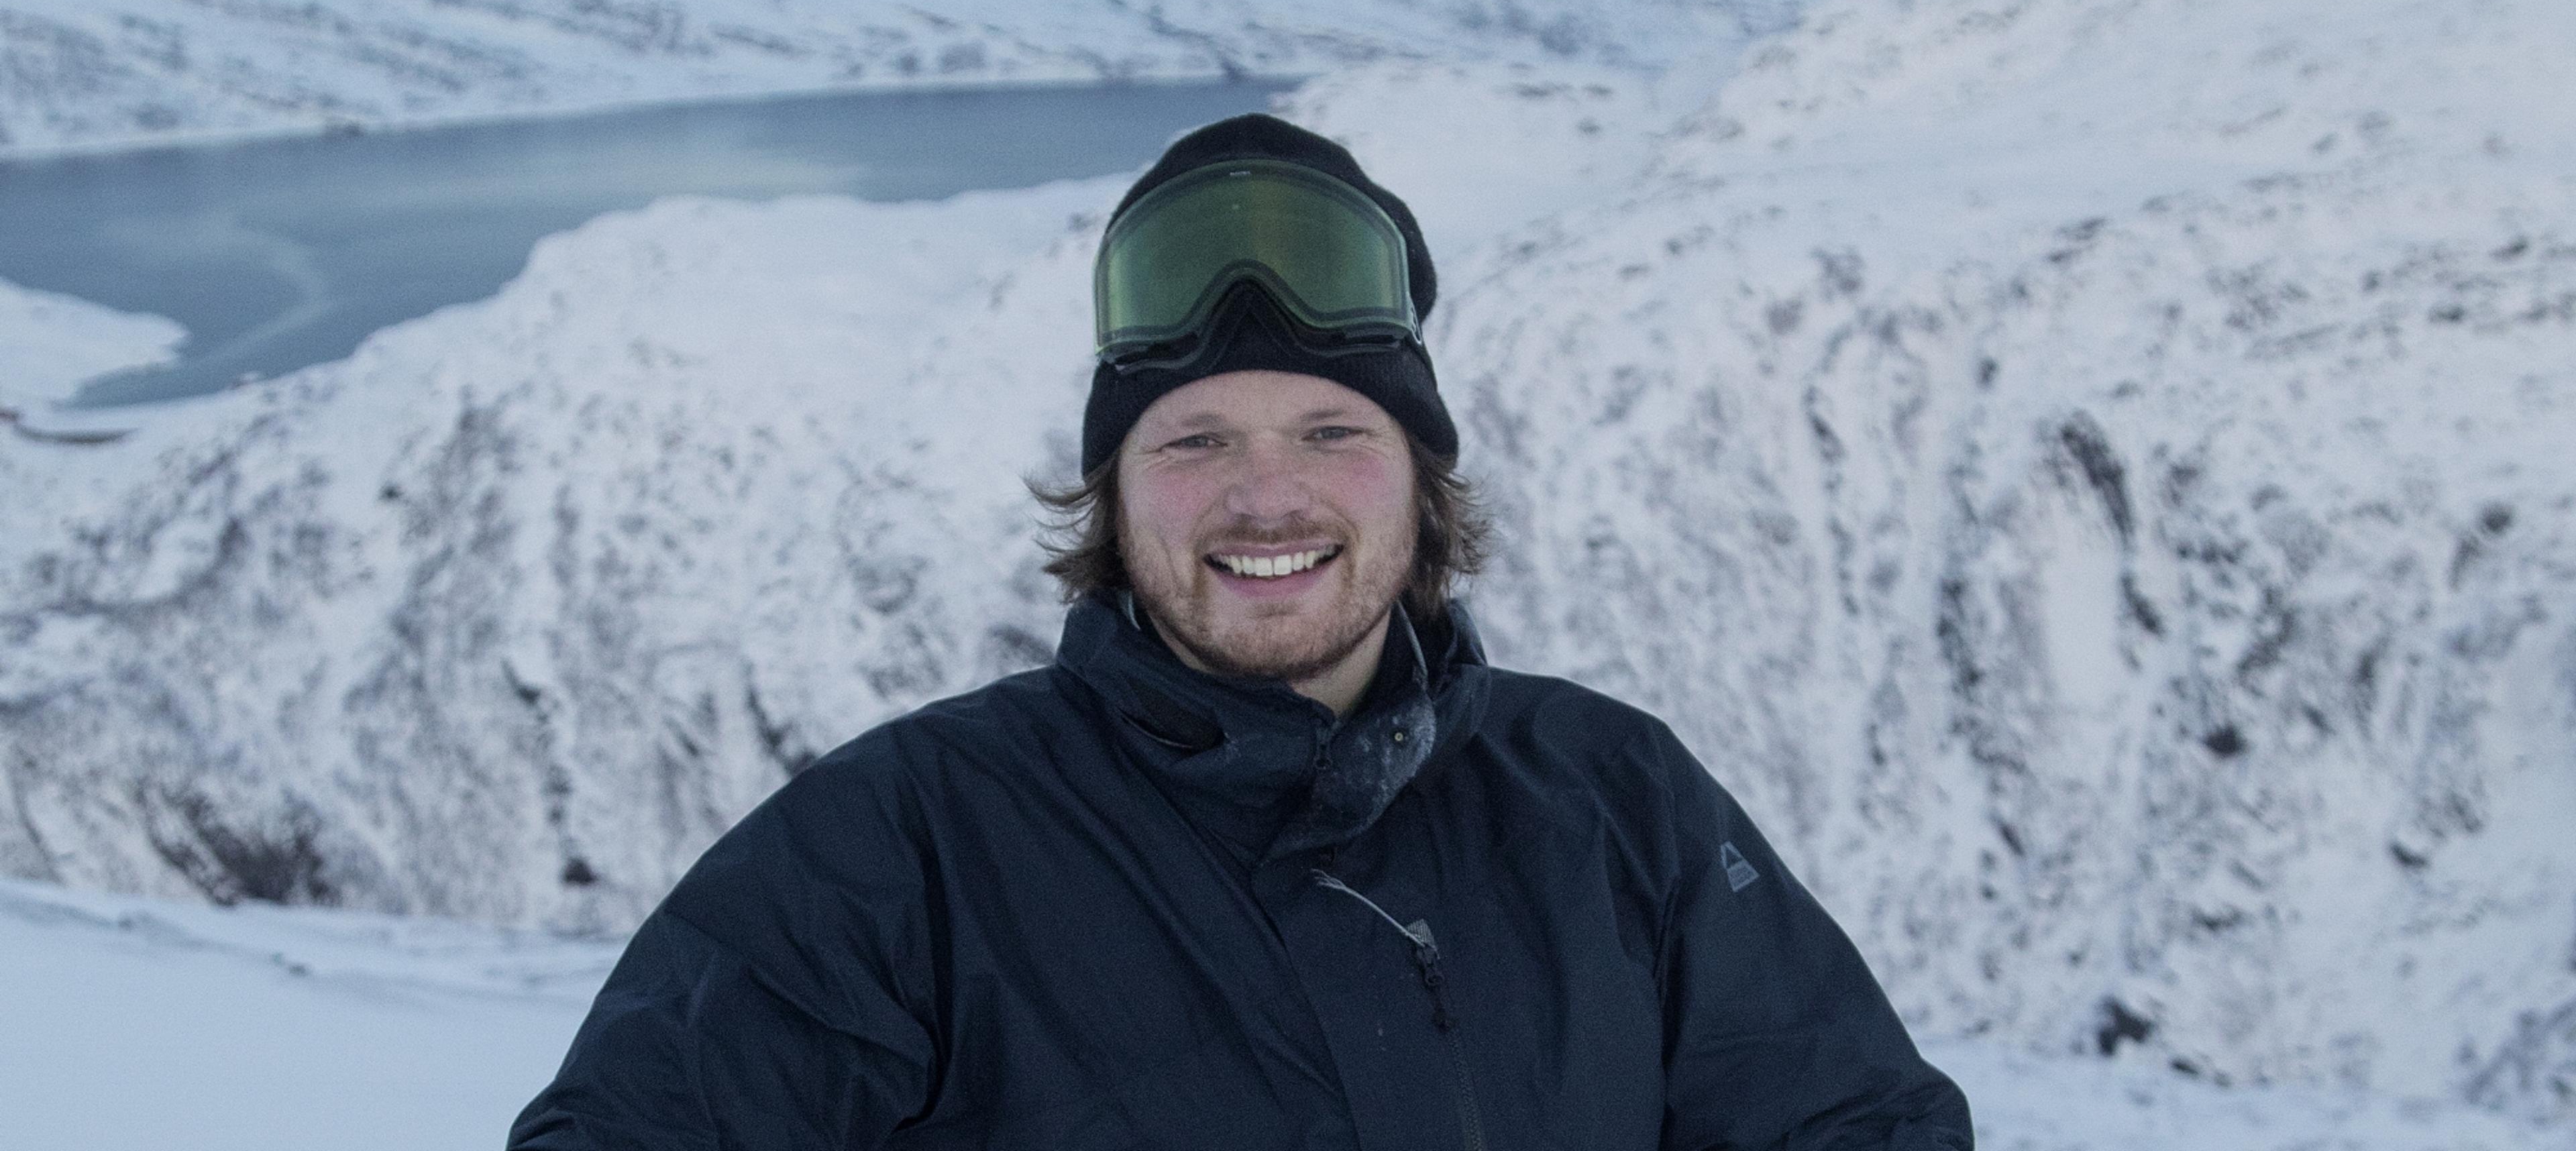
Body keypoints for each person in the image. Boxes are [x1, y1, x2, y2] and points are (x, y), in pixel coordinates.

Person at [511, 115, 1974, 1150]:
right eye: (1194, 438)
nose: (1263, 492)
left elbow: (1845, 1117)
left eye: (1333, 429)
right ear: (1113, 496)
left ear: (1418, 479)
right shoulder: (906, 848)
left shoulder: (1611, 800)